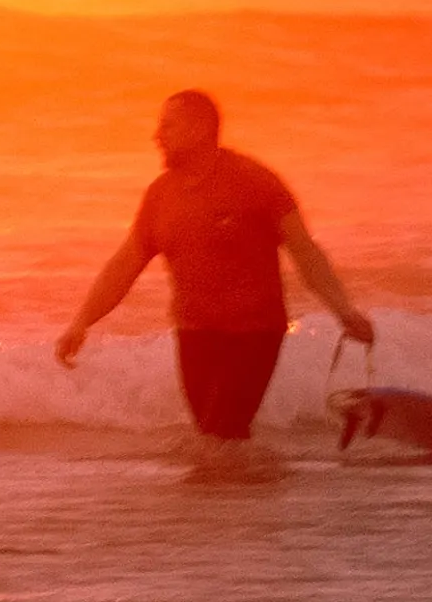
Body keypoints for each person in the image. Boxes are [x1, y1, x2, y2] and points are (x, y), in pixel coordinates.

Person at [57, 89, 374, 446]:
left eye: (168, 126)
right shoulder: (161, 196)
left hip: (253, 333)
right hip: (194, 335)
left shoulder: (254, 182)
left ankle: (242, 492)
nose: (157, 136)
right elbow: (125, 265)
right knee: (215, 436)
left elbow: (306, 252)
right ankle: (253, 488)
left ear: (200, 129)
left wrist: (343, 309)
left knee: (220, 434)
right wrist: (82, 321)